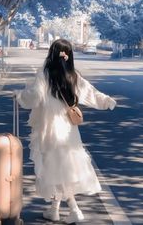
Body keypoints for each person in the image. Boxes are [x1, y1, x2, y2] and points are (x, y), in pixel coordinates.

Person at [14, 39, 116, 224]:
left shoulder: (45, 74)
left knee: (56, 169)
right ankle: (54, 210)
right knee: (60, 169)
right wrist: (107, 101)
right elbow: (90, 92)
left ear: (51, 54)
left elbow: (35, 96)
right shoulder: (73, 75)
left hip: (50, 130)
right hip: (69, 131)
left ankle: (75, 209)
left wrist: (20, 96)